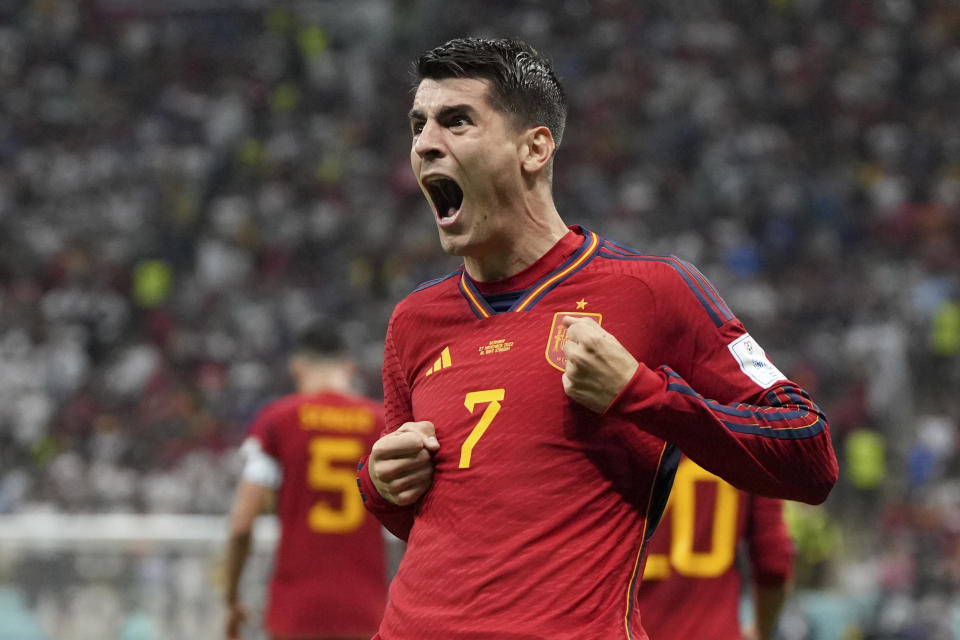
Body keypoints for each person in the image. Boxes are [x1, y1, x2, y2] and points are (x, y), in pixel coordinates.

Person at [356, 37, 838, 639]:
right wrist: (377, 484)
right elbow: (429, 518)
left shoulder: (653, 291)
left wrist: (643, 393)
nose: (425, 143)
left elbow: (810, 453)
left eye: (457, 121)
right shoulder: (413, 321)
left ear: (534, 148)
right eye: (418, 124)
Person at [224, 320, 388, 640]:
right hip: (366, 610)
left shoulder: (277, 419)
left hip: (295, 611)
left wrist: (232, 597)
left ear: (297, 368)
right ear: (350, 368)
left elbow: (242, 523)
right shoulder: (382, 422)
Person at [636, 455, 794, 640]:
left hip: (634, 629)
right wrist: (761, 631)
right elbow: (774, 562)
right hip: (715, 631)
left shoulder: (616, 432)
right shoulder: (747, 439)